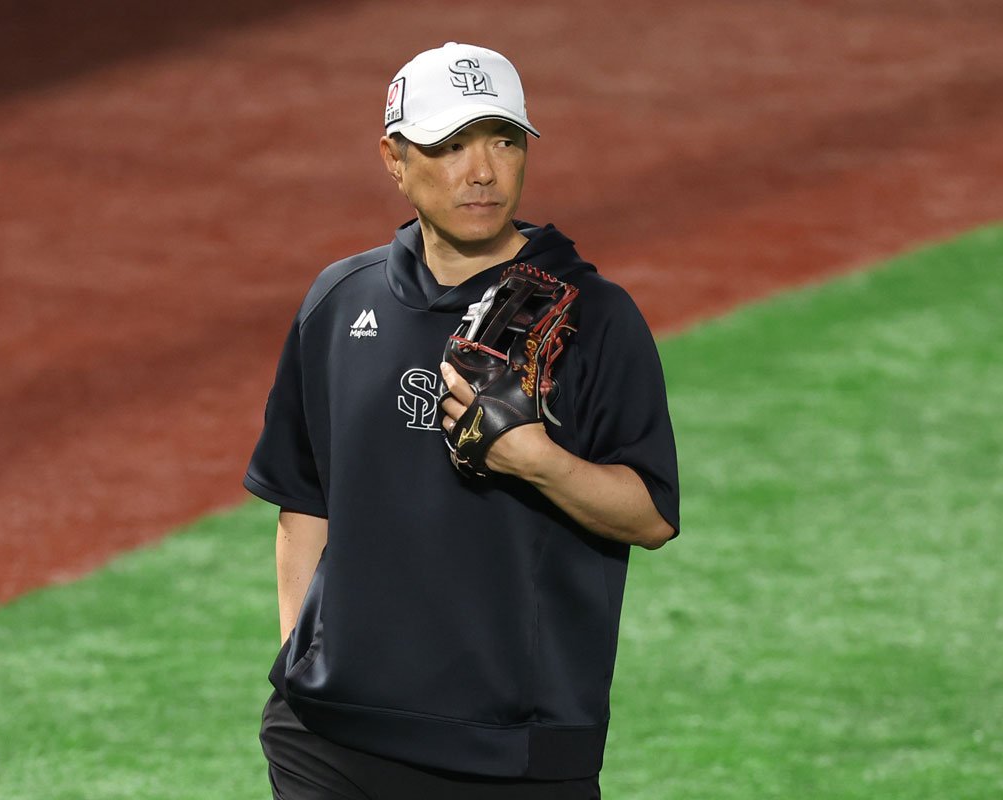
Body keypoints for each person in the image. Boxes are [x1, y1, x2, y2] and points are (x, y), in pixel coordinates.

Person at [244, 42, 680, 799]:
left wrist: (536, 461)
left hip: (511, 755)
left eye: (504, 141)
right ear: (394, 159)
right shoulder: (340, 301)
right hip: (328, 739)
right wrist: (303, 663)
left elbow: (651, 516)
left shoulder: (594, 319)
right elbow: (304, 498)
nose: (482, 171)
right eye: (450, 146)